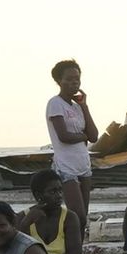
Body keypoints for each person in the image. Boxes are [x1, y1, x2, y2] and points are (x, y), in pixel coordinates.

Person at [46, 60, 100, 234]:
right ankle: (69, 253)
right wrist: (83, 136)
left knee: (83, 220)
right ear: (59, 81)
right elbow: (64, 136)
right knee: (77, 216)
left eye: (77, 79)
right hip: (66, 166)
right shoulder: (55, 104)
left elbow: (94, 135)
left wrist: (84, 106)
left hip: (83, 165)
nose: (74, 83)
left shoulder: (77, 107)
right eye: (69, 79)